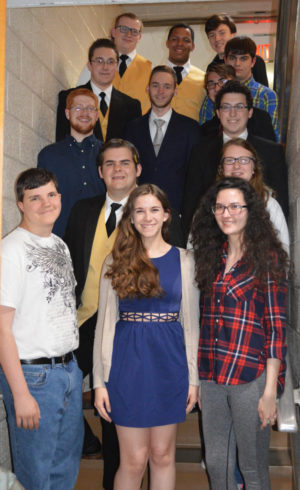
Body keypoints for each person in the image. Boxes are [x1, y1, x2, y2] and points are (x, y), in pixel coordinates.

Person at [64, 139, 184, 490]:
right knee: (102, 422)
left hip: (157, 345)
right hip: (92, 325)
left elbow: (183, 305)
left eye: (125, 163)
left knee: (156, 453)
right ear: (100, 172)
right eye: (110, 164)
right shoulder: (83, 211)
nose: (118, 169)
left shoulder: (172, 241)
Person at [93, 183, 199, 490]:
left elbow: (191, 325)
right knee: (134, 460)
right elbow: (104, 326)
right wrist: (99, 382)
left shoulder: (185, 260)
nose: (147, 217)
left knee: (163, 455)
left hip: (170, 366)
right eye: (139, 210)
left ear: (166, 215)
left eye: (154, 210)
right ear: (131, 217)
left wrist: (194, 378)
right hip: (127, 367)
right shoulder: (115, 262)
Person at [191, 177, 288, 490]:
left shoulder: (268, 259)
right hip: (213, 376)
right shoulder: (210, 256)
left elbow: (276, 328)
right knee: (218, 465)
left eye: (235, 206)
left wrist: (270, 390)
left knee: (253, 467)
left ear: (251, 211)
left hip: (251, 378)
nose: (226, 213)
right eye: (220, 206)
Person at [0, 168, 83, 490]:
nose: (45, 203)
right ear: (21, 204)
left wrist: (73, 374)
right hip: (34, 379)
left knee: (64, 469)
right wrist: (20, 394)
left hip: (67, 370)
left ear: (60, 197)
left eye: (50, 195)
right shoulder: (10, 251)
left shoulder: (59, 245)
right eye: (35, 198)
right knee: (36, 475)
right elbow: (2, 329)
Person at [182, 81, 288, 234]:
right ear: (218, 113)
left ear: (250, 112)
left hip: (260, 239)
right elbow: (191, 203)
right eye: (226, 107)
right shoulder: (201, 151)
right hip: (212, 239)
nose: (233, 114)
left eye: (239, 107)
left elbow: (281, 203)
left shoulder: (272, 152)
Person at [125, 65, 200, 212]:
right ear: (147, 89)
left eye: (167, 86)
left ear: (175, 91)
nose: (160, 91)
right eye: (155, 85)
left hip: (176, 212)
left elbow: (194, 176)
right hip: (140, 209)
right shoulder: (132, 128)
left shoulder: (190, 128)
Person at [38, 88, 105, 237]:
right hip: (59, 241)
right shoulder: (48, 155)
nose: (84, 113)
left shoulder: (109, 154)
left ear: (97, 115)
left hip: (99, 243)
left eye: (90, 108)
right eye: (78, 108)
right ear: (67, 113)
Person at [56, 38, 141, 142]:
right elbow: (62, 141)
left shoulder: (132, 106)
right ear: (89, 65)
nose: (105, 67)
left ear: (117, 66)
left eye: (110, 62)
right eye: (99, 61)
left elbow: (133, 149)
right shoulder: (68, 97)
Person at [217, 138, 289, 253]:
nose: (236, 166)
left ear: (254, 168)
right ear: (221, 169)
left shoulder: (269, 205)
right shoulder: (209, 204)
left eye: (244, 160)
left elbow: (283, 254)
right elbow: (195, 248)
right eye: (229, 160)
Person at [78, 13, 152, 114]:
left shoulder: (150, 69)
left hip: (135, 128)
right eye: (124, 29)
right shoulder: (95, 64)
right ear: (113, 32)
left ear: (139, 37)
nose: (129, 34)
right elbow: (78, 95)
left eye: (134, 31)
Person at [224, 36, 280, 141]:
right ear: (225, 60)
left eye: (243, 58)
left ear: (253, 62)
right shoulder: (216, 92)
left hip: (257, 155)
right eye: (232, 58)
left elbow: (272, 140)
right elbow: (206, 134)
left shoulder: (267, 95)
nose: (237, 63)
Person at [205, 14, 269, 87]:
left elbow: (263, 92)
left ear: (233, 34)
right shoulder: (212, 67)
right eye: (212, 35)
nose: (217, 39)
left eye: (222, 33)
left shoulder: (255, 61)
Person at [166, 23, 205, 121]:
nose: (180, 44)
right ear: (167, 43)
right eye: (175, 39)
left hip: (194, 135)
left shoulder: (205, 79)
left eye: (186, 40)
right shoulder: (153, 76)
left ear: (192, 46)